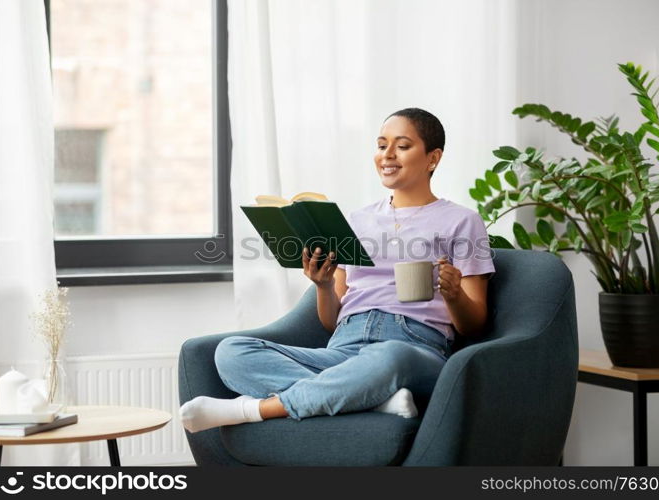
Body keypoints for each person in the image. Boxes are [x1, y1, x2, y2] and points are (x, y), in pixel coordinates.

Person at [180, 107, 495, 432]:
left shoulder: (462, 221)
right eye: (381, 144)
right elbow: (332, 322)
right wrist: (323, 286)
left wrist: (454, 294)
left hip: (414, 349)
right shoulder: (356, 221)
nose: (387, 155)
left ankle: (254, 409)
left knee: (389, 358)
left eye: (401, 146)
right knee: (233, 352)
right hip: (345, 346)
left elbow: (474, 325)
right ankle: (373, 397)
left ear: (433, 158)